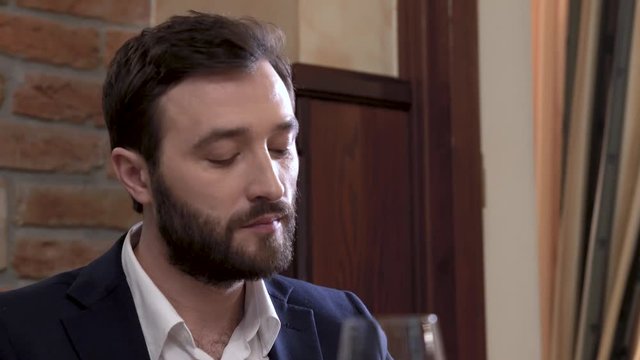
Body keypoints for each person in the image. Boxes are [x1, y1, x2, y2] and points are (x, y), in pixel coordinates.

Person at [0, 12, 389, 360]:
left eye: (281, 148)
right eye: (223, 155)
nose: (272, 186)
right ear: (137, 176)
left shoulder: (342, 327)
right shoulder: (18, 335)